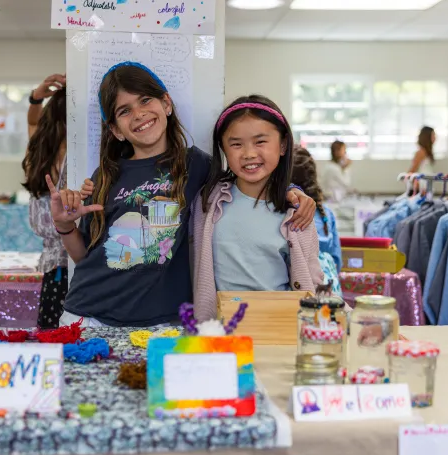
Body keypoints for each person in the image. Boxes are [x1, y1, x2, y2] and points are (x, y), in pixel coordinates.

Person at [48, 62, 316, 327]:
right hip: (88, 315)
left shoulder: (198, 165)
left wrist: (292, 192)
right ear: (116, 130)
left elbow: (245, 181)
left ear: (166, 103)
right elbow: (84, 257)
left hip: (164, 322)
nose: (139, 114)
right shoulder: (105, 177)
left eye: (145, 100)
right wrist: (64, 226)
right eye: (124, 110)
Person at [192, 95, 325, 321]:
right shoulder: (208, 201)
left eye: (260, 142)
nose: (249, 154)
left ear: (283, 145)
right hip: (220, 330)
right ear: (223, 148)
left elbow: (312, 280)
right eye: (236, 144)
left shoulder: (296, 213)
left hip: (278, 325)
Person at [22, 81, 68, 329]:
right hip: (75, 262)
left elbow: (32, 123)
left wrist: (36, 98)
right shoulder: (81, 154)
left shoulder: (39, 153)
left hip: (54, 266)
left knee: (53, 334)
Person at [292, 148, 343, 295]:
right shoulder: (325, 214)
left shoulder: (281, 214)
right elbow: (337, 261)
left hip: (294, 293)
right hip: (328, 293)